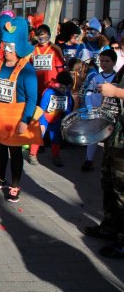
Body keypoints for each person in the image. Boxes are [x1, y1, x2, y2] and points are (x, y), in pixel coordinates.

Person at [0, 16, 41, 203]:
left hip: (17, 117)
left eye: (10, 47)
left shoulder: (27, 69)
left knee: (15, 152)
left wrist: (26, 120)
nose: (6, 50)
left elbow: (32, 98)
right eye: (4, 46)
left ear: (18, 47)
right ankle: (0, 177)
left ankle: (15, 186)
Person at [83, 72, 124, 258]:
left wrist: (115, 91)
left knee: (122, 193)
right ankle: (109, 228)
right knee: (109, 184)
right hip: (114, 136)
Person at [81, 49, 118, 171]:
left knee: (110, 140)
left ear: (114, 62)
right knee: (93, 137)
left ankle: (110, 163)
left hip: (111, 114)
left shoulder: (117, 79)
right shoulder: (96, 77)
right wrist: (90, 108)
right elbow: (88, 94)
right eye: (101, 61)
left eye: (107, 61)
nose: (104, 63)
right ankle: (88, 160)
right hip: (96, 112)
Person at [29, 71, 74, 167]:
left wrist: (68, 119)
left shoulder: (66, 92)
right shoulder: (49, 91)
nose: (65, 89)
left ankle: (56, 155)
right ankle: (32, 154)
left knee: (56, 137)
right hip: (45, 116)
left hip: (56, 117)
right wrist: (40, 121)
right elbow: (42, 106)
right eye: (64, 86)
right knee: (39, 135)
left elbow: (68, 107)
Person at [31, 24, 65, 98]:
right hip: (36, 87)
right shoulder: (33, 49)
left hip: (52, 87)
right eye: (40, 37)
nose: (42, 40)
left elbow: (61, 69)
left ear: (49, 36)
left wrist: (61, 84)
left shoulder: (55, 49)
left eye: (44, 37)